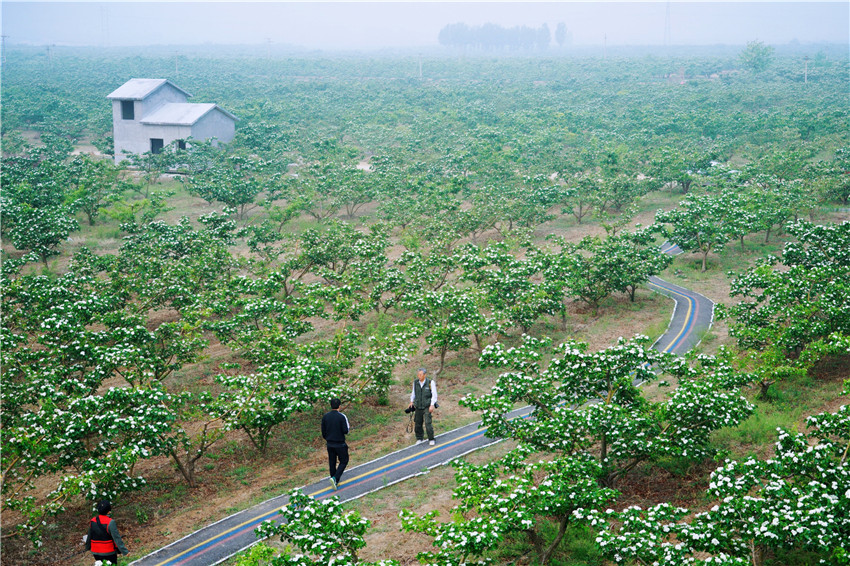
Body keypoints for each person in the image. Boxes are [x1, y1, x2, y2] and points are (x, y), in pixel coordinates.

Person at [85, 499, 129, 565]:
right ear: (109, 512)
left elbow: (89, 536)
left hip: (96, 552)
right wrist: (125, 551)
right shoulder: (110, 522)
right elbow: (117, 539)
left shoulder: (93, 521)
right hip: (108, 552)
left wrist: (87, 548)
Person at [321, 397, 350, 490]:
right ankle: (335, 478)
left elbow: (323, 432)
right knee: (344, 460)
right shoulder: (342, 416)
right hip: (340, 443)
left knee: (332, 462)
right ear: (339, 406)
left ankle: (334, 481)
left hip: (329, 443)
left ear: (331, 405)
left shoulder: (325, 417)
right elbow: (346, 430)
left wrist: (328, 438)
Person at [408, 367, 438, 446]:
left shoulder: (430, 383)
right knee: (418, 422)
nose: (419, 376)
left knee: (428, 423)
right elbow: (413, 393)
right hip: (418, 406)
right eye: (418, 374)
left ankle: (431, 438)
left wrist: (432, 405)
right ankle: (419, 438)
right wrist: (411, 401)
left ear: (425, 375)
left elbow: (434, 395)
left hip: (427, 406)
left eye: (420, 374)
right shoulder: (415, 383)